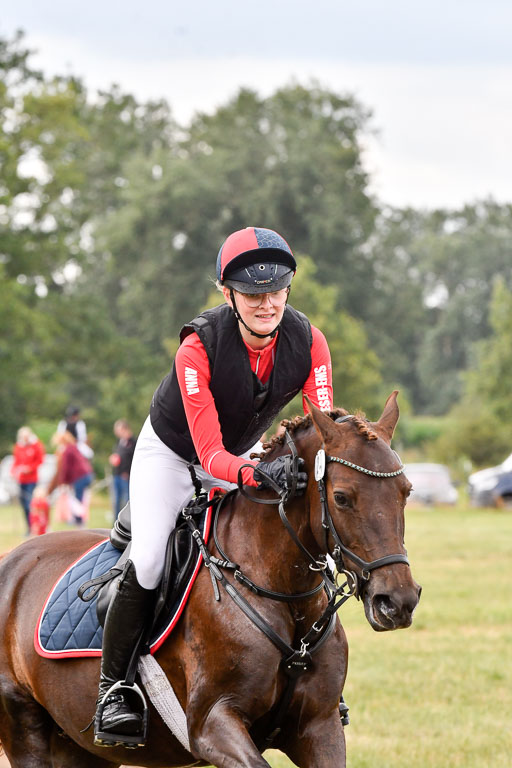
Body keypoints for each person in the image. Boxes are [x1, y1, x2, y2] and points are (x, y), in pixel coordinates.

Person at [93, 226, 333, 746]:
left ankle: (314, 684)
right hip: (172, 455)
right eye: (253, 294)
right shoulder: (198, 348)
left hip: (242, 452)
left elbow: (324, 424)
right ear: (228, 295)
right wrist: (259, 473)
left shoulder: (310, 340)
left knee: (299, 544)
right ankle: (115, 688)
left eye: (276, 290)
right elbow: (208, 457)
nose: (267, 303)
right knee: (153, 557)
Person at [47, 429, 94, 526]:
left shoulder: (67, 450)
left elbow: (65, 468)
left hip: (80, 477)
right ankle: (78, 519)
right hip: (86, 475)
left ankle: (79, 520)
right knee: (78, 498)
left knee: (77, 499)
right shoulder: (73, 447)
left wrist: (62, 482)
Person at [10, 426, 45, 536]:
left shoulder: (36, 445)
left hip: (31, 479)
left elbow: (40, 460)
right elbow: (16, 461)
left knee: (30, 504)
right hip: (21, 480)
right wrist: (14, 471)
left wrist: (29, 468)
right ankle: (29, 527)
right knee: (23, 505)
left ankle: (36, 527)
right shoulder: (18, 446)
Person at [109, 419, 136, 519]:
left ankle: (127, 521)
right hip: (116, 474)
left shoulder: (133, 442)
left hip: (126, 476)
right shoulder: (119, 442)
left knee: (126, 500)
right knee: (116, 500)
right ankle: (115, 521)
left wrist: (128, 472)